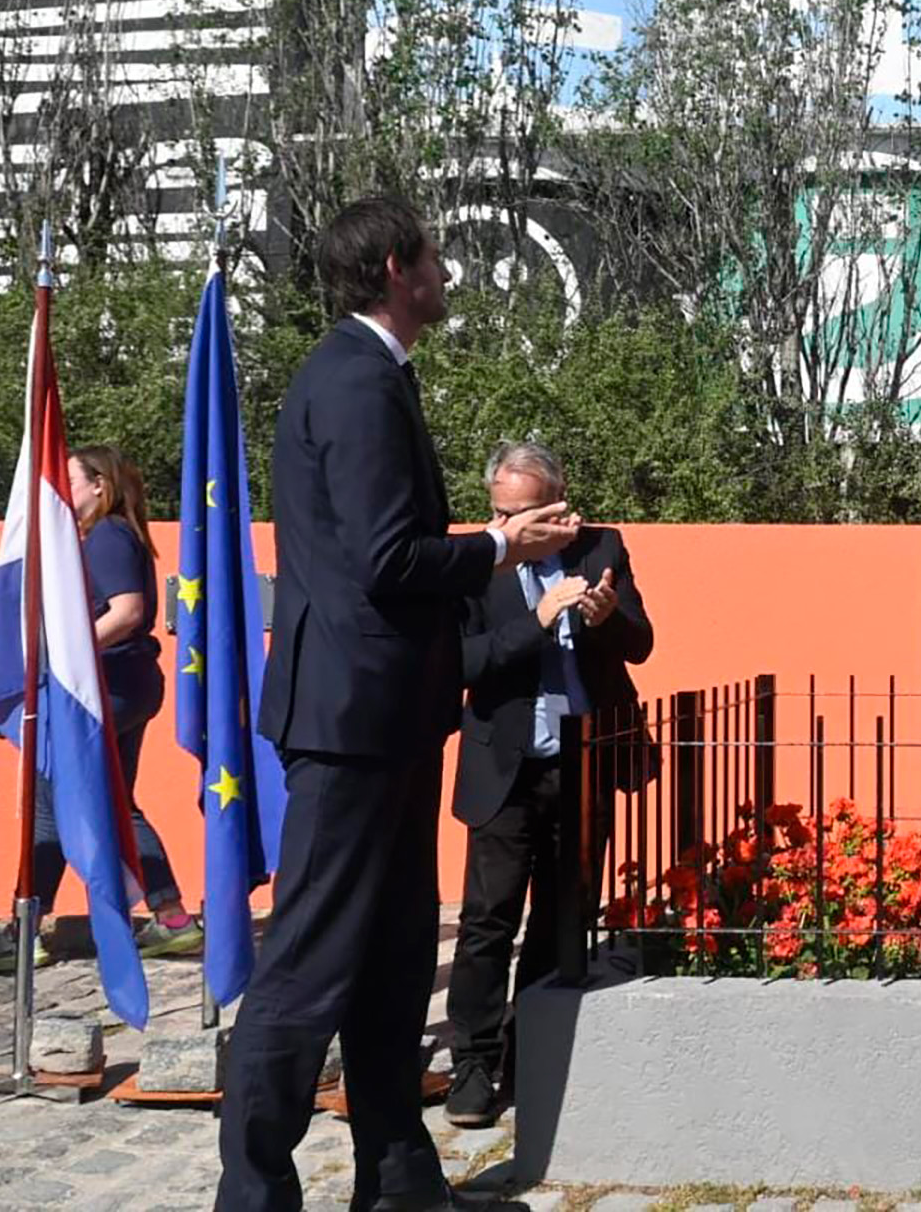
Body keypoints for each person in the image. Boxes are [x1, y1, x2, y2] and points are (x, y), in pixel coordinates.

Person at [217, 197, 579, 1212]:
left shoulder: (367, 374)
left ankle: (399, 1182)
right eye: (433, 257)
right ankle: (252, 1193)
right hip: (352, 724)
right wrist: (506, 547)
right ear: (392, 269)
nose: (445, 272)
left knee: (386, 960)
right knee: (308, 964)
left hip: (388, 715)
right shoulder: (356, 383)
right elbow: (387, 559)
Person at [443, 441, 655, 1129]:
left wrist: (604, 617)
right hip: (506, 766)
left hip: (581, 762)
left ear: (559, 507)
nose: (511, 525)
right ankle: (472, 1064)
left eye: (525, 512)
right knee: (487, 922)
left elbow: (641, 640)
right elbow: (461, 662)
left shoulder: (602, 548)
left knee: (564, 915)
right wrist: (535, 623)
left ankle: (530, 1049)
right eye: (501, 511)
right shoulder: (474, 563)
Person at [0, 446, 202, 973]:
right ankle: (172, 918)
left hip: (102, 687)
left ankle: (25, 930)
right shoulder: (114, 536)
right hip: (121, 685)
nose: (61, 491)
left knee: (49, 806)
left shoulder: (108, 537)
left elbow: (127, 612)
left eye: (70, 480)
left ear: (100, 485)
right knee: (115, 802)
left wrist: (55, 663)